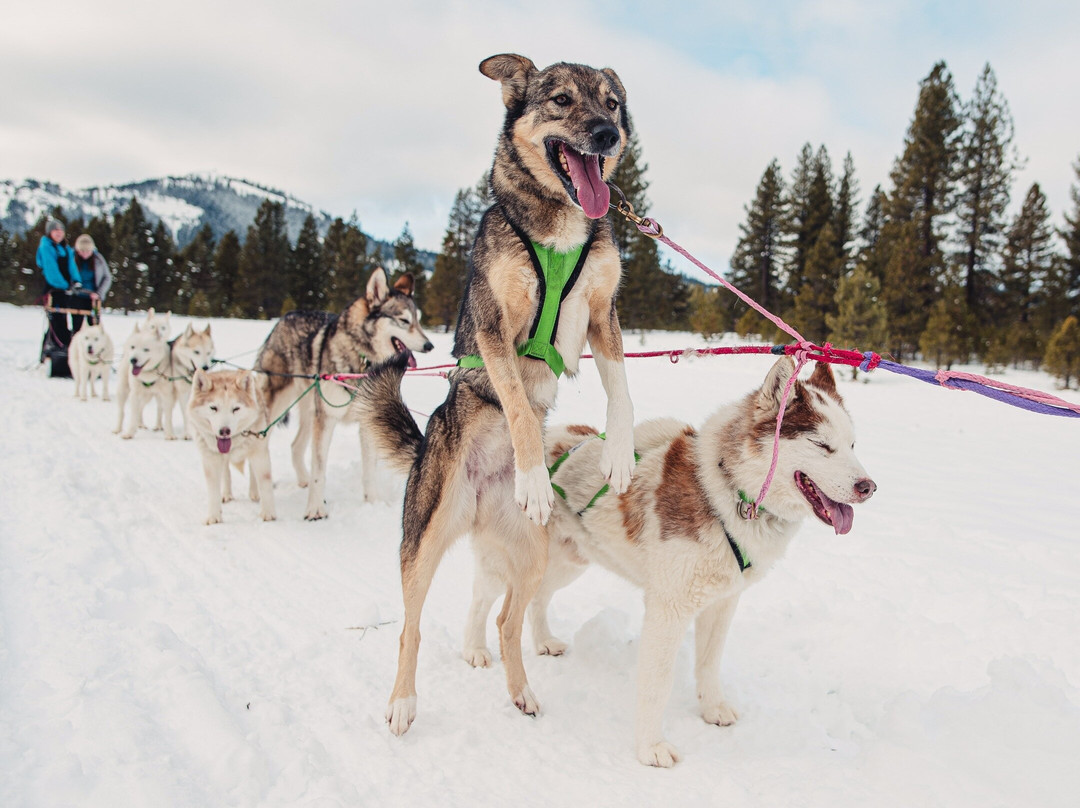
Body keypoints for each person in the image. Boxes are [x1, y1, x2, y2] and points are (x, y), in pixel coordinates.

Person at [73, 233, 113, 325]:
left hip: (93, 298)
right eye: (82, 251)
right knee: (77, 326)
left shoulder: (99, 259)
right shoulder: (72, 259)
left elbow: (107, 277)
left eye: (87, 250)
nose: (85, 253)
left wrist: (99, 293)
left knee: (94, 326)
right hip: (77, 297)